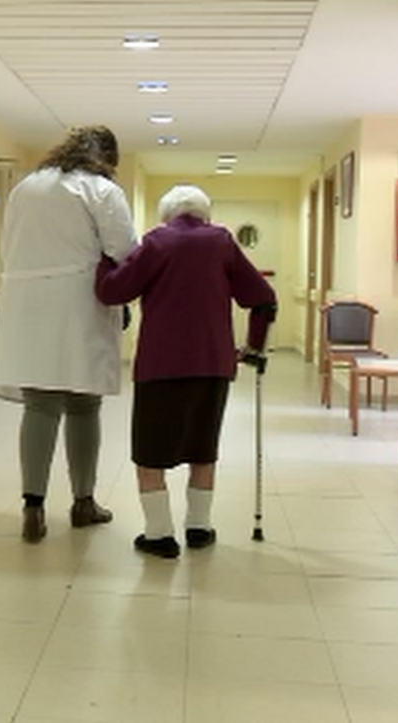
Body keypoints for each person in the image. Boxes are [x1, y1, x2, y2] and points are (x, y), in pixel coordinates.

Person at [95, 185, 276, 558]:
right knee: (202, 450)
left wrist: (103, 261)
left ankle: (159, 535)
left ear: (167, 214)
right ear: (205, 214)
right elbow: (263, 299)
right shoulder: (222, 242)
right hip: (213, 365)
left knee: (150, 454)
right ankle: (199, 528)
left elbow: (112, 292)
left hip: (160, 365)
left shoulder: (157, 242)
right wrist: (254, 347)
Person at [0, 125, 139, 543]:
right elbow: (125, 249)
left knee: (39, 405)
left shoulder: (26, 187)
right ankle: (83, 502)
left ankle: (33, 507)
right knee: (84, 404)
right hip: (80, 303)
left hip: (26, 304)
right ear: (106, 158)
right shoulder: (101, 190)